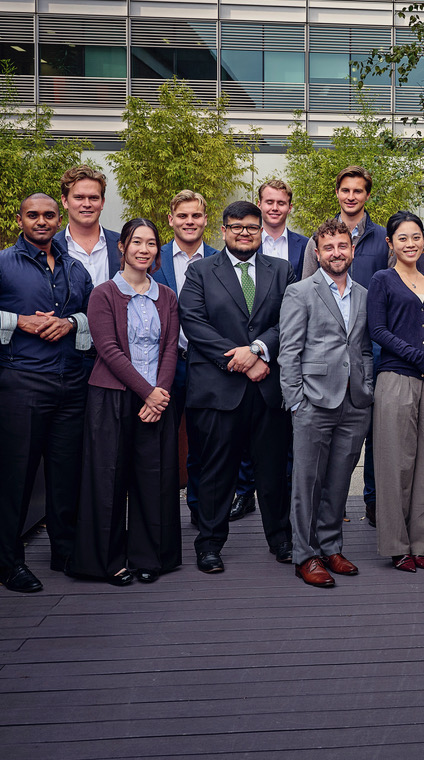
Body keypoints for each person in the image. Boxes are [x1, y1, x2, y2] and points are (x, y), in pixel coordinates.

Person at [0, 194, 94, 592]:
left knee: (66, 476)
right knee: (16, 478)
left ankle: (65, 552)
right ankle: (10, 563)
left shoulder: (74, 267)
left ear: (58, 217)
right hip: (21, 383)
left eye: (49, 215)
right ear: (20, 219)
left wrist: (71, 322)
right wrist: (19, 321)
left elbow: (95, 313)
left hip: (71, 383)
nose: (42, 221)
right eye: (33, 215)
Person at [178, 200, 296, 574]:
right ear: (224, 230)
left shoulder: (282, 270)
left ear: (261, 230)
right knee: (216, 472)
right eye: (236, 226)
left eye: (251, 226)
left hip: (267, 387)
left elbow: (289, 320)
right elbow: (193, 323)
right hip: (218, 388)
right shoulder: (200, 272)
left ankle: (281, 540)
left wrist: (259, 350)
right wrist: (240, 359)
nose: (244, 232)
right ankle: (210, 545)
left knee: (274, 470)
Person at [71, 218, 181, 585]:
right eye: (137, 242)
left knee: (155, 479)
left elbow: (169, 348)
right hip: (112, 398)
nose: (143, 250)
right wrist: (146, 391)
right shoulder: (103, 294)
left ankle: (151, 557)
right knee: (108, 480)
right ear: (123, 247)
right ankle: (108, 561)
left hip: (157, 400)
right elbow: (108, 350)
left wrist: (159, 394)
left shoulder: (166, 296)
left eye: (151, 244)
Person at [279, 219, 373, 588]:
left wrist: (365, 389)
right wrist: (296, 401)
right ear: (317, 253)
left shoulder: (363, 294)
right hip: (313, 403)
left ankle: (331, 546)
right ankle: (305, 555)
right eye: (329, 247)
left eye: (342, 246)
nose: (337, 253)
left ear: (351, 250)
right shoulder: (300, 292)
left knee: (337, 481)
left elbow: (362, 348)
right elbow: (289, 352)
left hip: (354, 403)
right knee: (307, 482)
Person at [299, 166, 390, 527]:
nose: (351, 196)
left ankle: (371, 502)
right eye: (345, 190)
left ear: (367, 195)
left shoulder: (383, 238)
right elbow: (306, 290)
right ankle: (328, 510)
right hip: (329, 353)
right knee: (328, 440)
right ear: (337, 193)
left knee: (369, 429)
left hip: (374, 346)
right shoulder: (318, 238)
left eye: (358, 191)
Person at [367, 211, 424, 572]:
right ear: (390, 243)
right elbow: (378, 331)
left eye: (416, 237)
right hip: (396, 379)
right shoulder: (382, 280)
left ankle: (421, 544)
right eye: (403, 238)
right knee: (394, 465)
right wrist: (420, 357)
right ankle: (397, 546)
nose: (411, 243)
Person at [229, 179, 309, 522]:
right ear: (259, 205)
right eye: (269, 202)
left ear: (289, 207)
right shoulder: (244, 243)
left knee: (283, 433)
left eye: (281, 202)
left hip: (290, 350)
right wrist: (253, 353)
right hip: (246, 355)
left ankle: (286, 494)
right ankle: (245, 493)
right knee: (247, 431)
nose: (275, 208)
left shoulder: (305, 247)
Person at [149, 189, 217, 529]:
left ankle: (201, 513)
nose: (190, 222)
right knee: (162, 443)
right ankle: (162, 517)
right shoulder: (151, 258)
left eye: (196, 216)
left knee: (203, 444)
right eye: (183, 216)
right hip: (164, 365)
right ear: (171, 219)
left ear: (206, 219)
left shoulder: (221, 260)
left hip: (207, 365)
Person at [57, 165, 121, 288]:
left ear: (102, 202)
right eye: (79, 197)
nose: (87, 204)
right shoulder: (51, 248)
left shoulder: (123, 245)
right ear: (65, 201)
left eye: (93, 198)